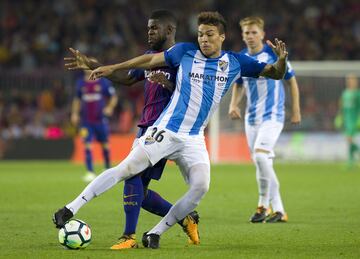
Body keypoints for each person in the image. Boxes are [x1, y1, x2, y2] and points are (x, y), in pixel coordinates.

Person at [54, 11, 288, 249]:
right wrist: (111, 66)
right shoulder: (184, 52)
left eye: (209, 34)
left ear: (222, 37)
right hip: (166, 130)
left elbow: (275, 73)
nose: (204, 39)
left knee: (200, 187)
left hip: (194, 138)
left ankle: (155, 233)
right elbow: (148, 61)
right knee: (127, 170)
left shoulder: (236, 62)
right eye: (200, 34)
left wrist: (281, 61)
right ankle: (70, 208)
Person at [63, 10, 200, 249]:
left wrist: (168, 83)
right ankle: (185, 218)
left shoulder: (183, 59)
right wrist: (94, 65)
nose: (149, 32)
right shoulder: (148, 57)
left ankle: (129, 237)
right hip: (146, 127)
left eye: (154, 28)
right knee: (141, 193)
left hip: (167, 129)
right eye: (148, 28)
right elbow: (127, 77)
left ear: (169, 30)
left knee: (131, 177)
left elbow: (192, 93)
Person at [228, 16, 301, 223]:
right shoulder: (242, 57)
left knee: (261, 157)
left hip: (273, 116)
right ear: (243, 36)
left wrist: (295, 109)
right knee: (263, 162)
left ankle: (262, 205)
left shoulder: (273, 55)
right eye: (246, 33)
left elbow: (291, 81)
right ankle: (279, 210)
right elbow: (239, 84)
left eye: (254, 32)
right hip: (251, 119)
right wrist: (234, 104)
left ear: (262, 34)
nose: (250, 36)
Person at [71, 70, 118, 182]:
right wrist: (75, 113)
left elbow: (113, 97)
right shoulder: (80, 83)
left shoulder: (103, 83)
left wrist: (110, 107)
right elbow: (77, 99)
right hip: (85, 121)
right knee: (87, 144)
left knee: (105, 145)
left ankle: (107, 168)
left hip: (100, 120)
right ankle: (90, 172)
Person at [338, 74, 360, 168]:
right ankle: (350, 162)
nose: (350, 82)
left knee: (349, 138)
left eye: (352, 80)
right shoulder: (345, 93)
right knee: (349, 140)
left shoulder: (358, 94)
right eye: (349, 80)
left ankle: (354, 155)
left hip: (354, 120)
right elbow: (342, 106)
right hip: (347, 119)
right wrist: (340, 116)